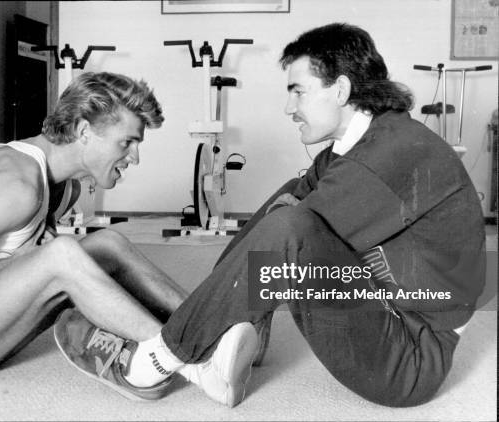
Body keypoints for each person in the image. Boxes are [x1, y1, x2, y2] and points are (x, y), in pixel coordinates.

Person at [55, 23, 486, 408]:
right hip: (382, 305)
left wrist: (196, 327)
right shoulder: (357, 145)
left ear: (339, 90)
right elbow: (282, 219)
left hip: (410, 355)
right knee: (288, 200)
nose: (288, 106)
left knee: (289, 226)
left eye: (298, 90)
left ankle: (151, 366)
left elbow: (288, 239)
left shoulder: (391, 154)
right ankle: (233, 332)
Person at [0, 72, 198, 395]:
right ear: (83, 131)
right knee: (62, 255)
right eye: (127, 142)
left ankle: (207, 329)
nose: (135, 157)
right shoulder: (17, 185)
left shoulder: (64, 189)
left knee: (107, 244)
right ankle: (188, 363)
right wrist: (27, 260)